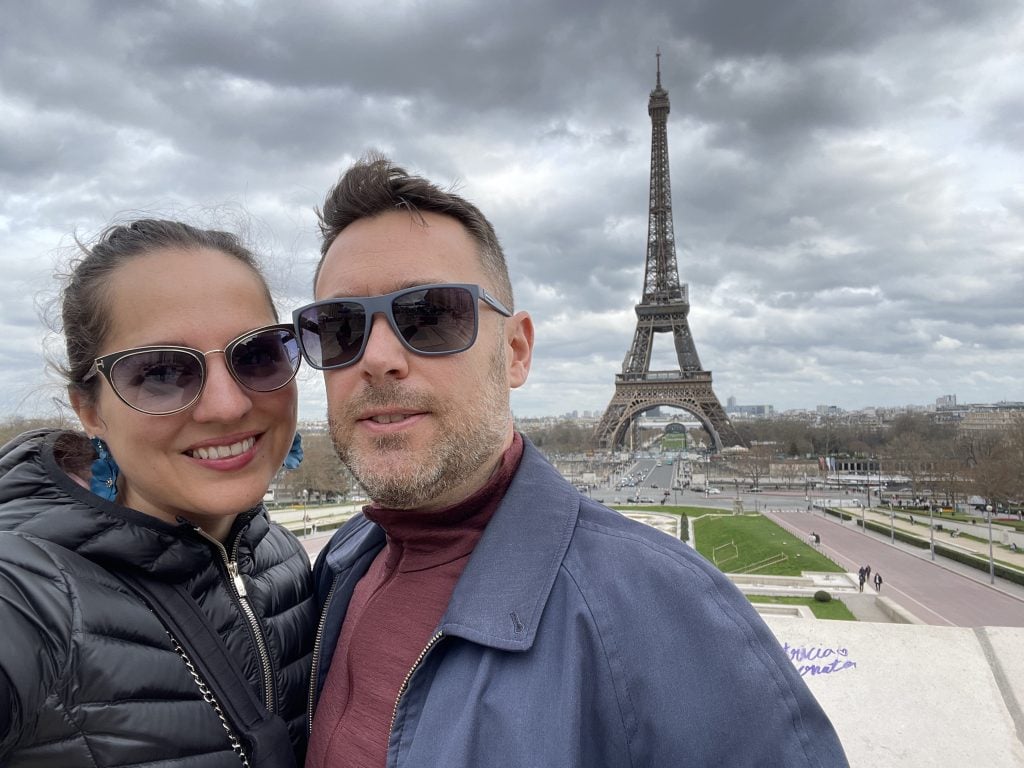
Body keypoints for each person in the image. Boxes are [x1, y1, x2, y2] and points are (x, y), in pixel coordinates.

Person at [297, 154, 848, 766]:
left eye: (428, 315)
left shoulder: (668, 610)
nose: (377, 357)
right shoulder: (344, 562)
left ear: (515, 351)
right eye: (338, 326)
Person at [0, 220, 317, 766]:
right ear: (91, 411)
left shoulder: (285, 561)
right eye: (162, 371)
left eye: (257, 354)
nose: (228, 405)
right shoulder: (30, 592)